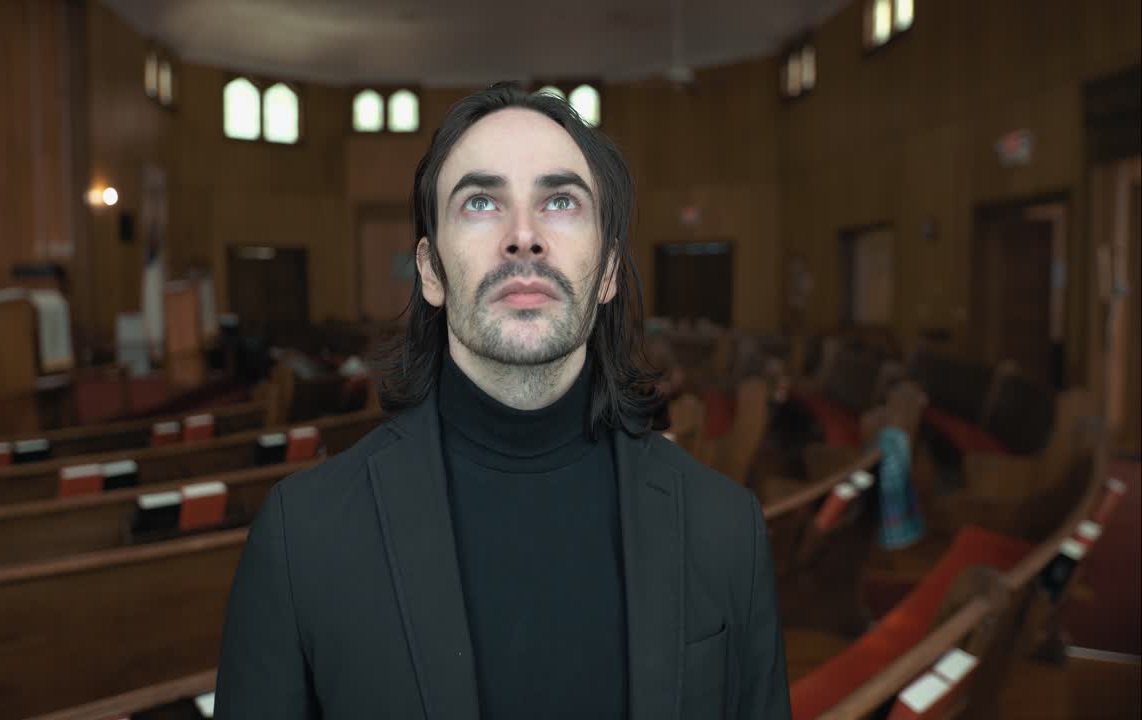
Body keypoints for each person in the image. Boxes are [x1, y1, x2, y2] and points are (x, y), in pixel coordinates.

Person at [215, 82, 790, 719]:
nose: (523, 236)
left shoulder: (725, 528)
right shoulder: (302, 537)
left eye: (561, 201)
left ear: (607, 270)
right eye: (481, 202)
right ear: (430, 271)